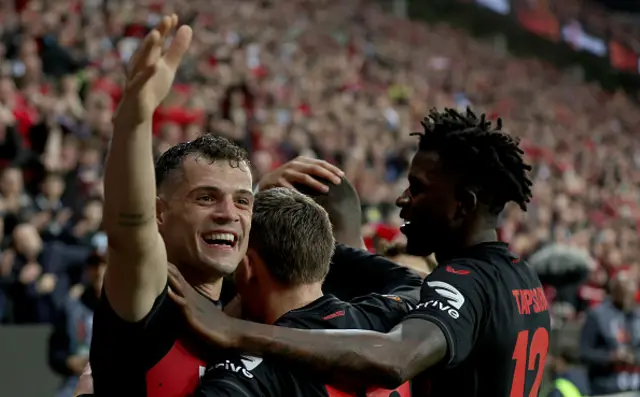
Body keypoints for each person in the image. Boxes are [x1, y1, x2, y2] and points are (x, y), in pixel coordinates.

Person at [170, 108, 551, 397]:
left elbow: (394, 358)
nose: (403, 199)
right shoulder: (523, 276)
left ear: (462, 205)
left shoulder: (462, 284)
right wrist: (258, 211)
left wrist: (234, 332)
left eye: (417, 189)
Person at [90, 15, 252, 397]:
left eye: (242, 200)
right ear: (160, 213)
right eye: (206, 197)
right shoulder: (146, 297)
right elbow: (129, 228)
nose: (228, 213)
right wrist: (133, 121)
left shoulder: (255, 306)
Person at [167, 188, 421, 397]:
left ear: (248, 267)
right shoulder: (391, 319)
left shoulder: (250, 371)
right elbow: (412, 282)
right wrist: (310, 235)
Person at [49, 251, 105, 397]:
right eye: (94, 265)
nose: (100, 271)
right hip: (78, 380)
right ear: (88, 270)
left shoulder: (127, 307)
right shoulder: (71, 307)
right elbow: (55, 352)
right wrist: (69, 361)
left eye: (106, 264)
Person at [580, 271, 640, 395]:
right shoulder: (597, 315)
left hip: (635, 386)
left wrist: (634, 356)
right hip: (606, 388)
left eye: (632, 292)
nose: (629, 297)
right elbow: (584, 352)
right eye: (624, 292)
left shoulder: (637, 315)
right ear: (614, 291)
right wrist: (610, 357)